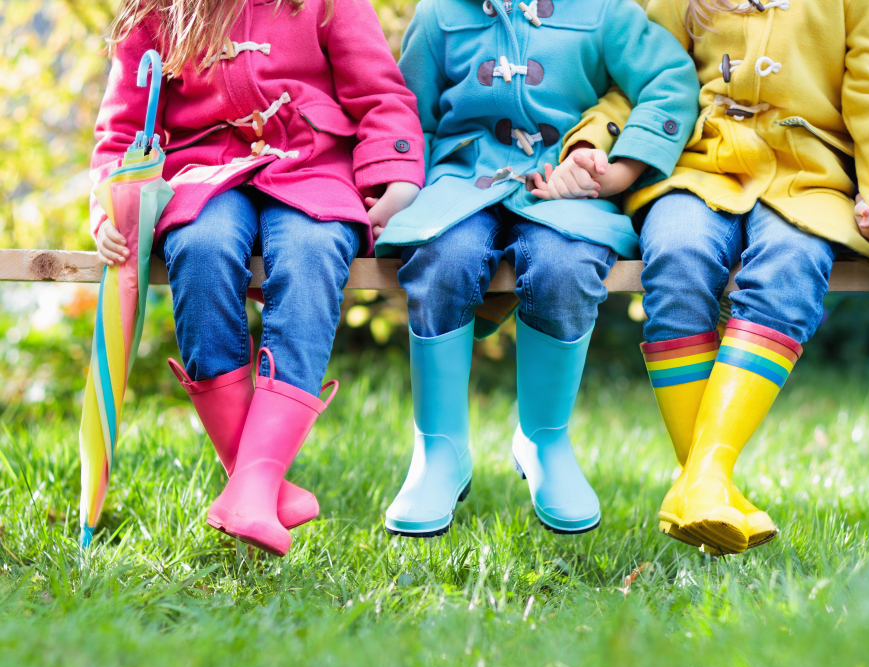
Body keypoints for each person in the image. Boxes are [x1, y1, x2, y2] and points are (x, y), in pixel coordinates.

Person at [569, 0, 869, 554]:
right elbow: (639, 77)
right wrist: (593, 141)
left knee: (791, 268)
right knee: (676, 255)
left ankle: (701, 478)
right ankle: (707, 484)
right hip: (697, 165)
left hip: (807, 176)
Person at [92, 0, 425, 556]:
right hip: (204, 170)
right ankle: (257, 482)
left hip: (312, 163)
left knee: (312, 249)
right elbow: (122, 126)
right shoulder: (158, 11)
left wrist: (395, 176)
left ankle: (251, 484)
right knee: (200, 246)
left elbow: (379, 94)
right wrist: (109, 207)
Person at [374, 0, 699, 538]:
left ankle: (544, 438)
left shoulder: (604, 12)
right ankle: (439, 449)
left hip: (563, 192)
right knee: (442, 259)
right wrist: (403, 182)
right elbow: (408, 111)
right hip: (459, 184)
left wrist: (618, 171)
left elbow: (669, 79)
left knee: (563, 265)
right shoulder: (440, 15)